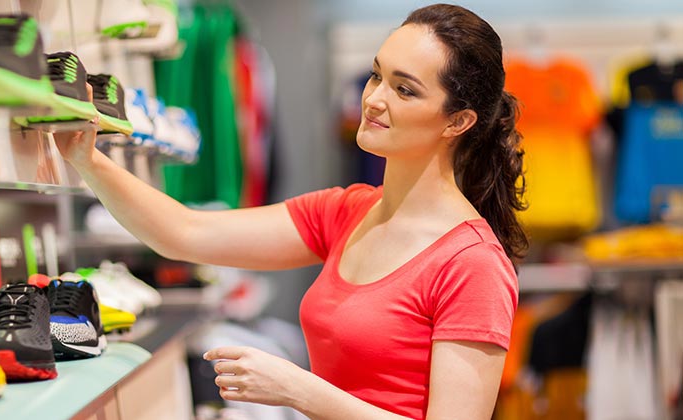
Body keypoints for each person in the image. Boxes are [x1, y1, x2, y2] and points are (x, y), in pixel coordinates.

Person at [56, 3, 527, 419]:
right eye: (377, 74)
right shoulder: (345, 211)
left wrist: (299, 390)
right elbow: (184, 233)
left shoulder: (472, 264)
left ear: (458, 121)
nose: (374, 99)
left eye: (405, 90)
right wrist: (87, 158)